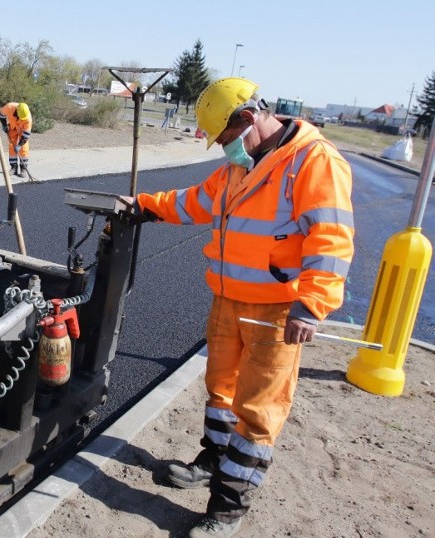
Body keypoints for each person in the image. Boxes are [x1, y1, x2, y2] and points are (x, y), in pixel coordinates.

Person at [130, 77, 354, 538]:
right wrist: (145, 206)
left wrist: (312, 305)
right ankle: (212, 461)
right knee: (222, 389)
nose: (224, 150)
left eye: (227, 140)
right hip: (229, 299)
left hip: (277, 310)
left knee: (258, 408)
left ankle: (228, 507)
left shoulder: (314, 162)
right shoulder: (242, 164)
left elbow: (331, 240)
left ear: (250, 120)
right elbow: (197, 200)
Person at [0, 102, 32, 177]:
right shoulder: (9, 107)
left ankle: (24, 169)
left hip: (22, 130)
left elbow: (26, 135)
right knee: (12, 146)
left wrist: (20, 145)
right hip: (12, 127)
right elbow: (2, 115)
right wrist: (4, 125)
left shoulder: (28, 119)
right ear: (16, 111)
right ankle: (14, 168)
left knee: (24, 147)